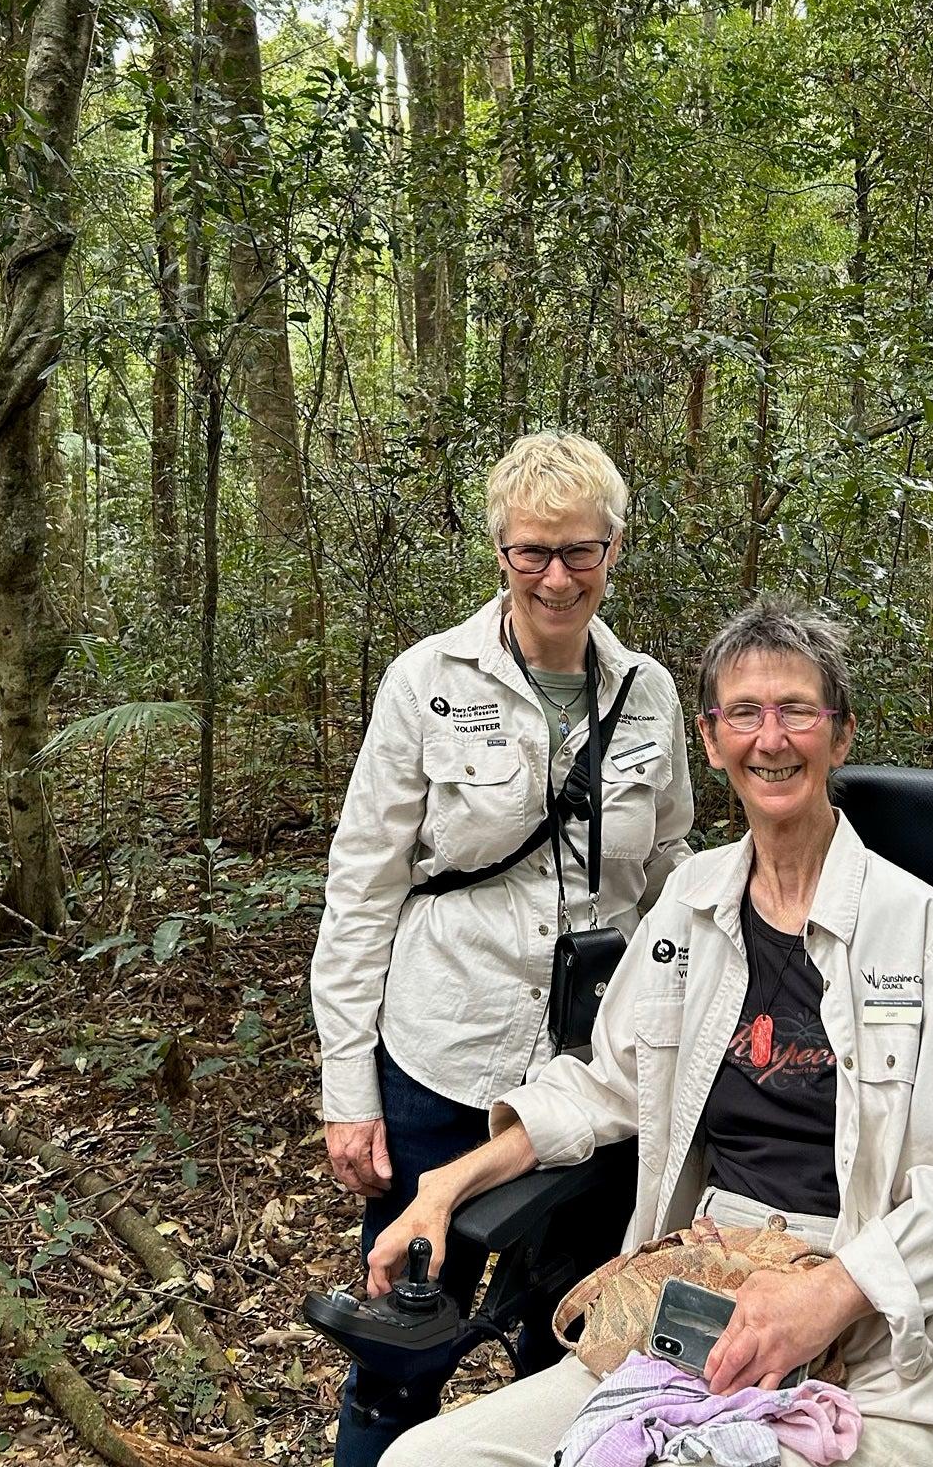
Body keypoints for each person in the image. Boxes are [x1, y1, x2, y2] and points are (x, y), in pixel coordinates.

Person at [364, 600, 933, 1467]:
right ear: (711, 742)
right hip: (704, 1289)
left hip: (881, 1318)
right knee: (425, 1460)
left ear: (841, 735)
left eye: (798, 710)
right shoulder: (690, 905)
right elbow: (605, 1084)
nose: (772, 739)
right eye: (743, 715)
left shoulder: (917, 927)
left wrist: (827, 1296)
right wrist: (445, 1185)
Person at [311, 431, 695, 1466]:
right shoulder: (428, 680)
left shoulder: (647, 692)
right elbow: (361, 888)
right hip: (442, 1059)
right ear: (500, 553)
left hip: (591, 1075)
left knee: (570, 1344)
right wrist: (349, 1088)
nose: (556, 577)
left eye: (579, 551)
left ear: (616, 549)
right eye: (533, 552)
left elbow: (668, 870)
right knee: (402, 1351)